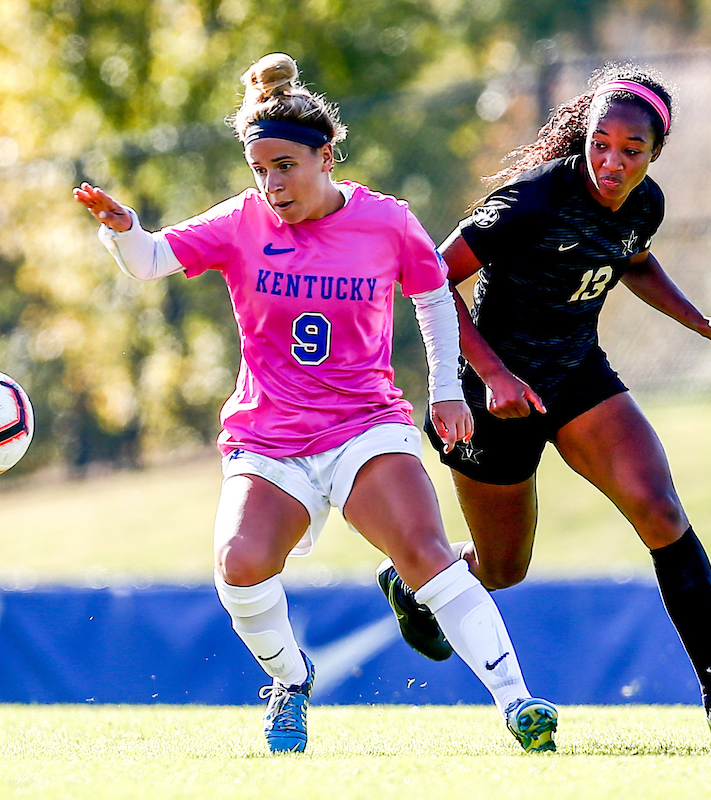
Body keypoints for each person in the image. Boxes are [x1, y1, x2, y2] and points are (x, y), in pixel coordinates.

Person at [75, 53, 558, 754]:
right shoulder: (241, 221)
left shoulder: (387, 221)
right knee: (239, 565)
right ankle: (291, 681)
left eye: (285, 166)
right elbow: (150, 260)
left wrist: (448, 391)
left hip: (365, 427)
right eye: (260, 169)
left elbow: (429, 295)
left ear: (326, 156)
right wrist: (122, 228)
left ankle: (519, 703)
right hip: (269, 438)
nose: (271, 184)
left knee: (425, 551)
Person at [377, 63, 711, 746]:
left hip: (576, 379)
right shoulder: (532, 200)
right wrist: (495, 374)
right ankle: (416, 583)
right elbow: (427, 278)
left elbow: (634, 260)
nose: (613, 161)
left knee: (661, 511)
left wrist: (701, 324)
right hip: (488, 397)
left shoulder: (645, 202)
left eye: (632, 150)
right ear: (583, 136)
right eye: (601, 143)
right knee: (505, 569)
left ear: (655, 154)